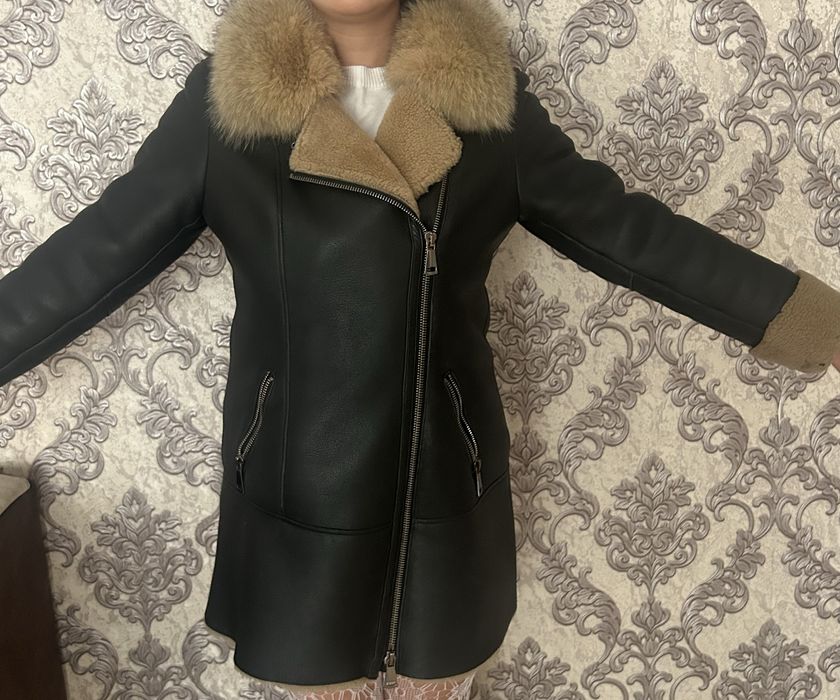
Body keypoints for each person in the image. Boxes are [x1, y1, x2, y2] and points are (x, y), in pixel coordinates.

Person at [2, 0, 839, 699]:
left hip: (441, 499)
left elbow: (630, 234)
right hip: (298, 502)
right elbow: (96, 257)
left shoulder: (488, 106)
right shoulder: (226, 108)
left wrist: (821, 325)